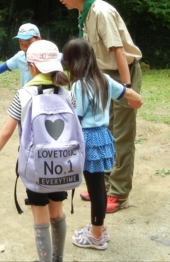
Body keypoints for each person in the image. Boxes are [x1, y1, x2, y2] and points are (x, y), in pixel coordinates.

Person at [49, 0, 143, 213]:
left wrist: (126, 87)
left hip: (120, 74)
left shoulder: (100, 11)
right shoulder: (84, 12)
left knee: (121, 133)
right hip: (99, 74)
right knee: (103, 129)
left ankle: (119, 193)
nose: (60, 0)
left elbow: (118, 50)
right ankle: (101, 185)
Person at [0, 40, 76, 262]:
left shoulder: (23, 95)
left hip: (35, 166)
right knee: (57, 211)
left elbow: (6, 131)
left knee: (39, 213)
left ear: (31, 67)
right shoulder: (67, 94)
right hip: (62, 164)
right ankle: (58, 259)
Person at [62, 38, 143, 250]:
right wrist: (139, 100)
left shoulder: (80, 85)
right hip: (102, 135)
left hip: (87, 137)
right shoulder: (104, 79)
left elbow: (77, 117)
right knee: (98, 186)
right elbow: (126, 92)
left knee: (96, 188)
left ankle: (96, 235)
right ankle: (98, 227)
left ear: (74, 62)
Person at [0, 23, 42, 89]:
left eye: (28, 43)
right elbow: (4, 66)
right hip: (27, 96)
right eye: (21, 43)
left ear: (39, 39)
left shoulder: (48, 56)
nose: (25, 47)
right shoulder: (20, 56)